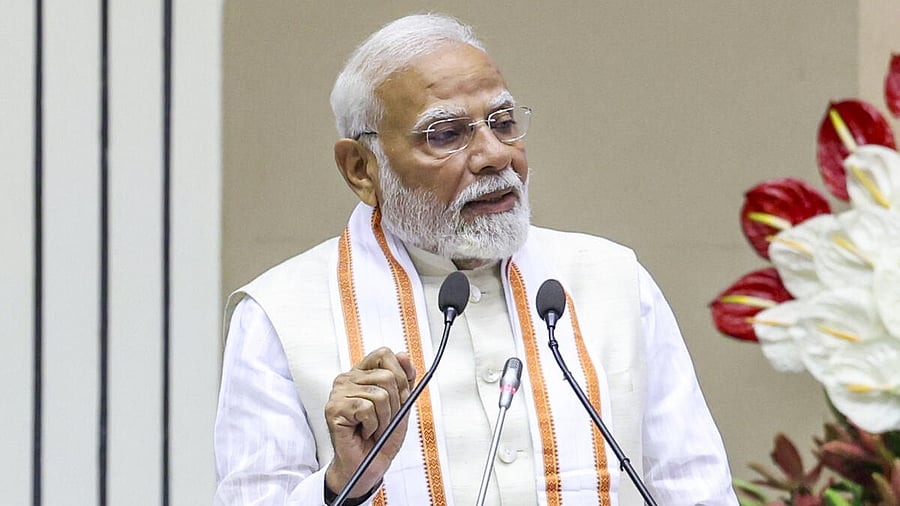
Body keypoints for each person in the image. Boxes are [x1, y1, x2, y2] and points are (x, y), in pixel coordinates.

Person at [214, 13, 738, 506]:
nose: (495, 155)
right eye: (445, 134)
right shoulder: (279, 315)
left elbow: (694, 487)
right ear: (361, 168)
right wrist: (343, 485)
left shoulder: (612, 281)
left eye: (504, 123)